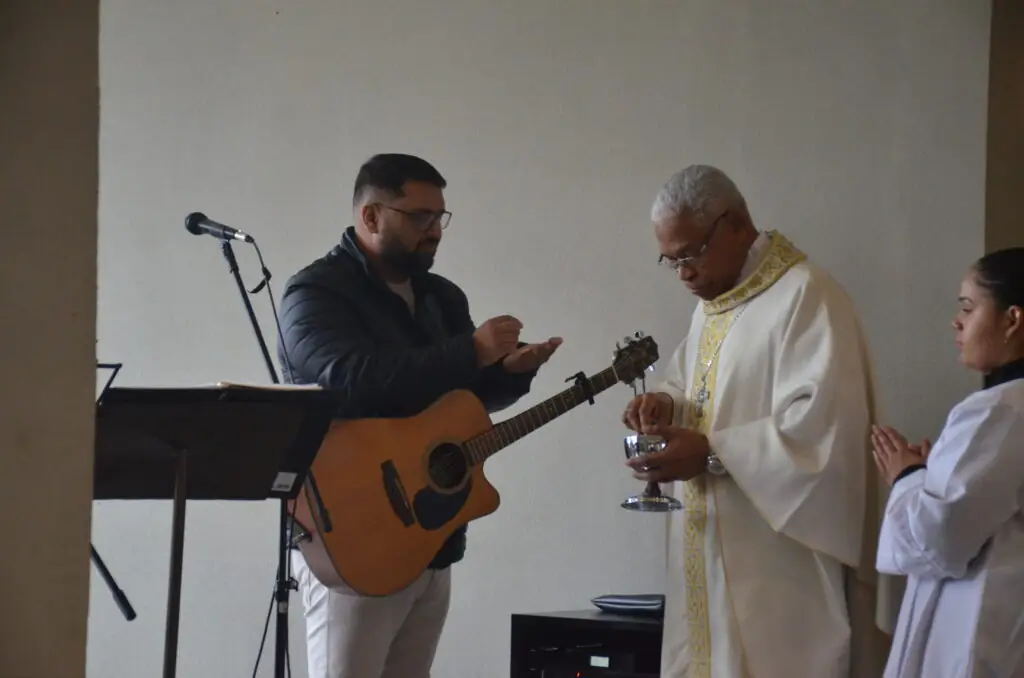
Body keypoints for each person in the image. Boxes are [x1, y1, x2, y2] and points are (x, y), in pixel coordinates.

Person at [276, 153, 561, 678]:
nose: (435, 231)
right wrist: (469, 353)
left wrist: (510, 374)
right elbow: (345, 383)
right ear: (371, 217)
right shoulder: (314, 293)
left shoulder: (442, 298)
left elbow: (459, 403)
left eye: (440, 218)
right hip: (353, 538)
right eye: (420, 218)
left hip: (431, 538)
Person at [620, 164, 896, 678]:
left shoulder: (807, 297)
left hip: (779, 569)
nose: (683, 273)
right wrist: (663, 404)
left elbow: (821, 436)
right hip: (706, 556)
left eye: (691, 253)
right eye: (670, 259)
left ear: (736, 225)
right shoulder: (713, 305)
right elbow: (692, 388)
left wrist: (708, 453)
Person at [871, 247, 1024, 678]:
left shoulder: (1001, 411)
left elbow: (939, 538)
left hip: (980, 630)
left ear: (1012, 320)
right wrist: (929, 475)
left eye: (969, 308)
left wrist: (906, 475)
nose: (957, 322)